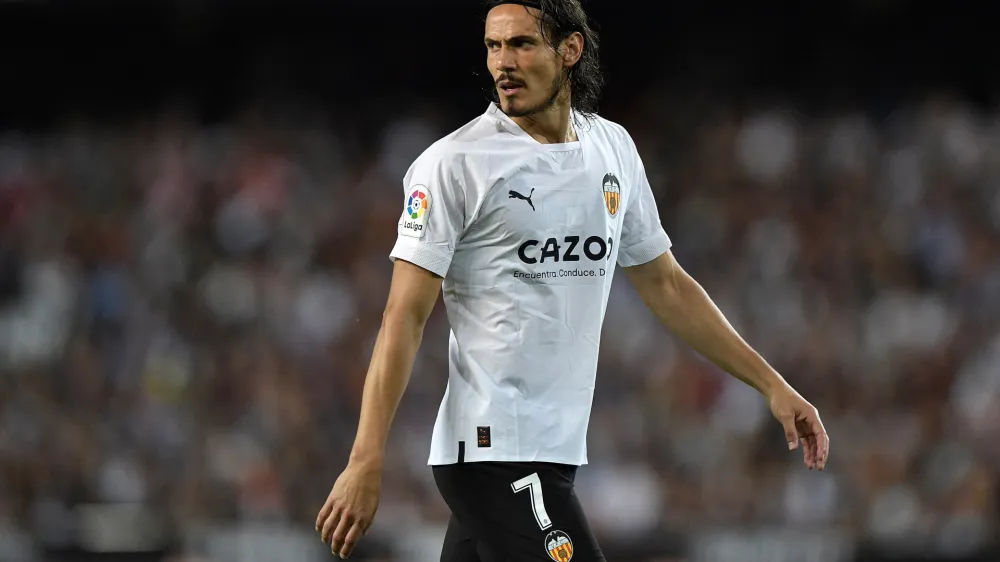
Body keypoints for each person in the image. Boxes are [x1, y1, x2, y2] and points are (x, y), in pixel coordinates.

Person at [316, 0, 830, 560]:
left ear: (570, 49)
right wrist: (366, 457)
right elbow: (403, 316)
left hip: (554, 450)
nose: (502, 63)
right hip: (496, 451)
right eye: (493, 46)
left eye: (521, 44)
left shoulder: (612, 149)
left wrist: (771, 384)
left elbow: (668, 285)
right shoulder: (454, 164)